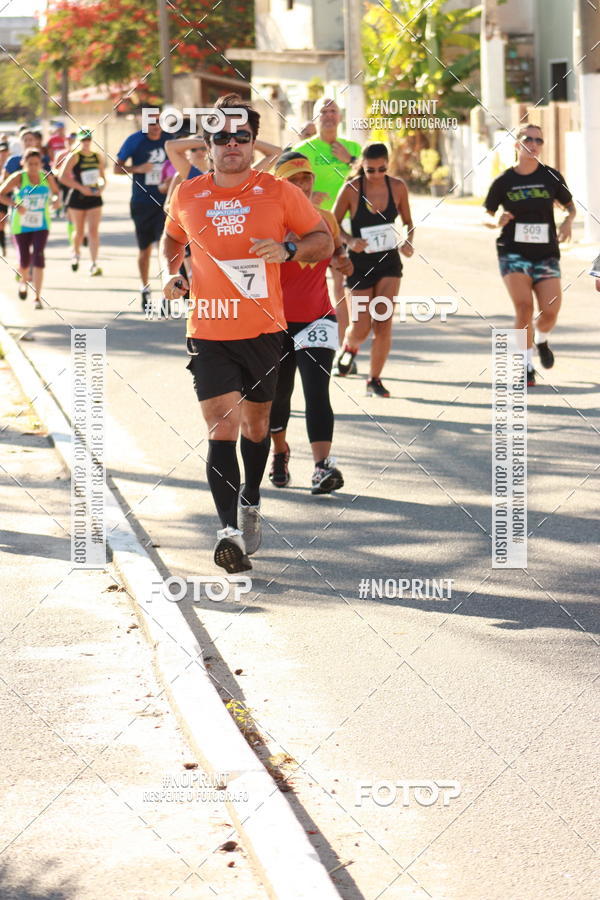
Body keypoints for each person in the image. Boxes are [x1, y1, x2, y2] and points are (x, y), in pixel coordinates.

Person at [160, 94, 333, 574]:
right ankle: (227, 533)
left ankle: (250, 500)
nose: (232, 144)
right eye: (222, 137)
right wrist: (172, 273)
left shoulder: (278, 191)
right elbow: (172, 237)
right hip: (209, 330)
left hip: (263, 331)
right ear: (208, 145)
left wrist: (289, 249)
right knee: (222, 429)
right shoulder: (188, 194)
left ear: (254, 142)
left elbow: (322, 239)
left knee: (257, 429)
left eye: (241, 136)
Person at [269, 152, 351, 493]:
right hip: (275, 322)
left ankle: (321, 467)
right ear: (280, 185)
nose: (302, 185)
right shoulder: (267, 221)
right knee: (278, 396)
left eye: (306, 178)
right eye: (293, 180)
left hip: (318, 317)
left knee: (317, 392)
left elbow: (339, 254)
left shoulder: (326, 219)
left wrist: (344, 263)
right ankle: (280, 452)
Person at [484, 123, 576, 386]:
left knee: (550, 312)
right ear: (517, 144)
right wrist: (496, 221)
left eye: (538, 140)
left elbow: (570, 207)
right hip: (513, 253)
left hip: (546, 254)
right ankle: (526, 366)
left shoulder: (551, 176)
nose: (533, 144)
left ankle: (542, 339)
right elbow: (486, 214)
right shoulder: (504, 181)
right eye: (528, 139)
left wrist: (568, 221)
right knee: (524, 307)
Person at [332, 142, 414, 397]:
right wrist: (350, 241)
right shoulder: (351, 189)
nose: (376, 174)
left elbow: (408, 222)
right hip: (359, 264)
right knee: (360, 328)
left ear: (388, 165)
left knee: (383, 323)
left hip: (388, 262)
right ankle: (349, 347)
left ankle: (374, 379)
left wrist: (408, 240)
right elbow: (333, 224)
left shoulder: (397, 187)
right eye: (370, 170)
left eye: (381, 169)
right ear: (362, 166)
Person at [293, 98, 363, 355]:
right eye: (323, 111)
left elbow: (370, 177)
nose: (329, 115)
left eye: (333, 111)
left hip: (347, 225)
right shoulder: (303, 149)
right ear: (315, 118)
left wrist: (351, 159)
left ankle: (342, 347)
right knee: (315, 287)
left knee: (343, 285)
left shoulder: (353, 147)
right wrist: (308, 198)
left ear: (340, 116)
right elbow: (287, 185)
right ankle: (314, 340)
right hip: (313, 225)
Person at [115, 114, 169, 310]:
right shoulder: (135, 140)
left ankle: (166, 293)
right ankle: (145, 287)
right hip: (142, 202)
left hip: (165, 202)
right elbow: (116, 168)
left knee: (164, 249)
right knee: (145, 250)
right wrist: (138, 168)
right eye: (151, 123)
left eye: (159, 122)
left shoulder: (170, 140)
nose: (156, 127)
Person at [0, 148, 60, 308]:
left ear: (41, 164)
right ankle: (23, 281)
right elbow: (1, 194)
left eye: (36, 164)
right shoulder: (18, 177)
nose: (33, 167)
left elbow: (56, 192)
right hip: (21, 224)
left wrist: (56, 200)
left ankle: (37, 297)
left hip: (41, 223)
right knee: (24, 258)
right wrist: (15, 204)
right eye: (30, 164)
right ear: (24, 163)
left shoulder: (46, 176)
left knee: (39, 255)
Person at [59, 129, 105, 275]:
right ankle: (76, 253)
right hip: (77, 198)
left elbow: (103, 177)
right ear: (78, 141)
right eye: (83, 140)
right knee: (79, 231)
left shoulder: (97, 157)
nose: (86, 142)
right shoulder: (74, 156)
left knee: (93, 231)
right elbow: (62, 177)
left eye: (88, 139)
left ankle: (93, 263)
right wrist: (81, 188)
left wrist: (102, 187)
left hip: (94, 197)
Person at [0, 139, 9, 255]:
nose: (3, 154)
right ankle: (3, 247)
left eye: (5, 151)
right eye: (1, 152)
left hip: (8, 196)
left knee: (3, 224)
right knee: (1, 223)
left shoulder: (11, 165)